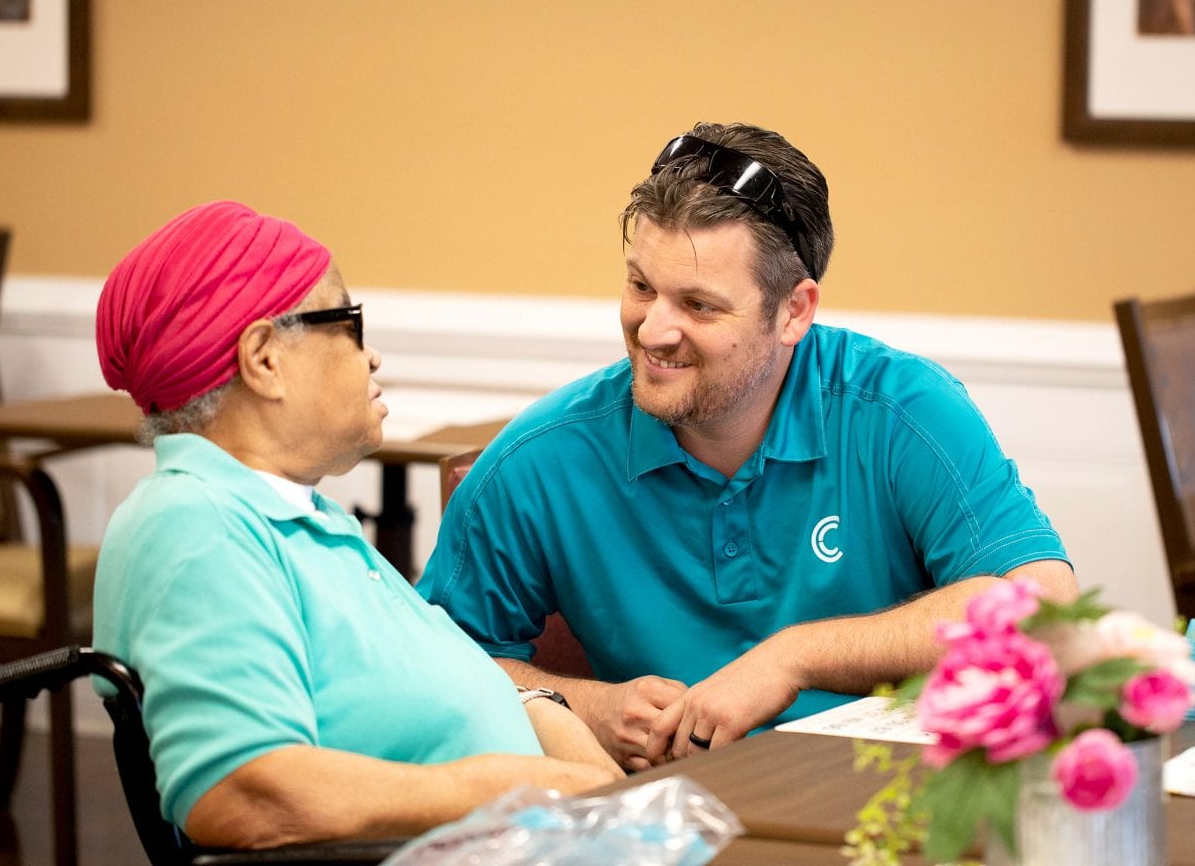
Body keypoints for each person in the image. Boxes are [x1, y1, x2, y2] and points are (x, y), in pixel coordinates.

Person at [419, 122, 1078, 771]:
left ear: (794, 311)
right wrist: (586, 707)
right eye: (642, 287)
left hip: (888, 801)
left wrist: (794, 658)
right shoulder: (542, 456)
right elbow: (430, 667)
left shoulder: (900, 409)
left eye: (699, 305)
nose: (652, 330)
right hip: (678, 811)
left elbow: (1047, 610)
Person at [91, 201, 620, 849]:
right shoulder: (196, 527)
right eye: (348, 323)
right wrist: (511, 789)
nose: (371, 358)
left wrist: (550, 726)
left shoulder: (297, 518)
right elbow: (241, 794)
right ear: (264, 359)